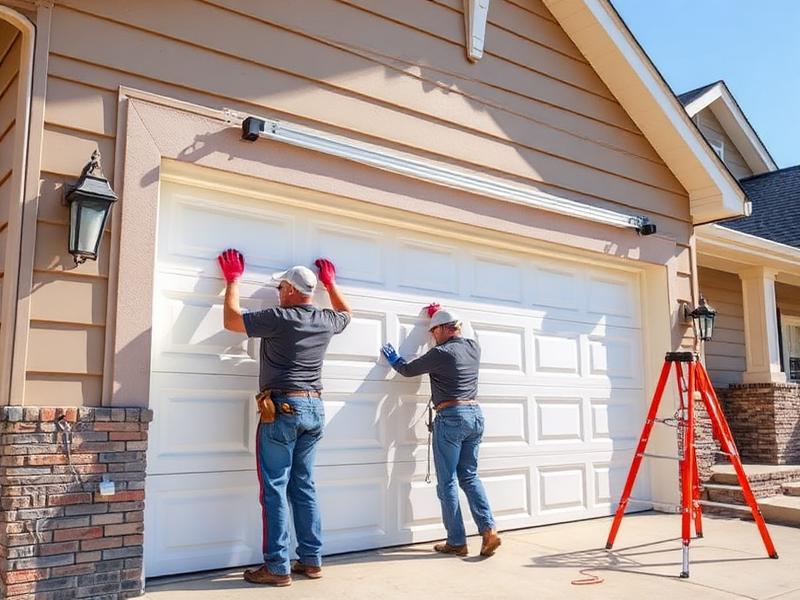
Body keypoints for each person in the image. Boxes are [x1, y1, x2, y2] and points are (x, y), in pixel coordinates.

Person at [219, 249, 351, 586]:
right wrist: (331, 284)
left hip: (282, 410)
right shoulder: (325, 319)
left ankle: (277, 567)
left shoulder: (280, 317)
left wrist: (233, 280)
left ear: (291, 291)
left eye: (280, 289)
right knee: (303, 486)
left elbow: (232, 320)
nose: (278, 293)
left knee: (275, 489)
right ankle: (311, 560)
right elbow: (347, 313)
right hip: (314, 410)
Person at [381, 304, 501, 557]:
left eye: (434, 331)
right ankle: (489, 530)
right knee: (469, 476)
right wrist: (439, 315)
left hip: (452, 417)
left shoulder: (442, 353)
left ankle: (457, 541)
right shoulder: (473, 347)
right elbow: (456, 334)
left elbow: (407, 369)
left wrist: (394, 359)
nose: (432, 337)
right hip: (475, 416)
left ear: (446, 329)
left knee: (447, 481)